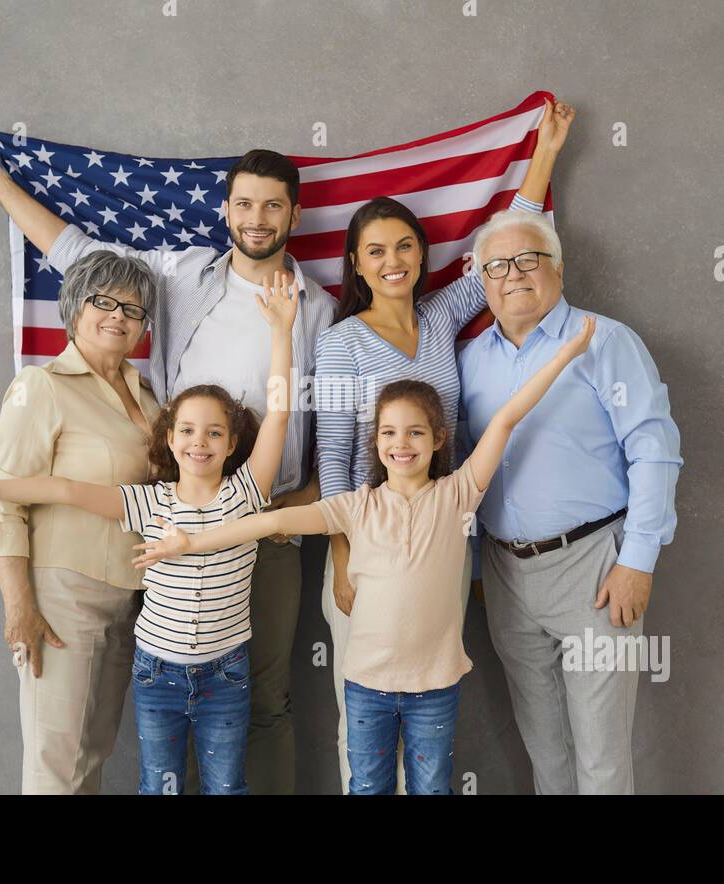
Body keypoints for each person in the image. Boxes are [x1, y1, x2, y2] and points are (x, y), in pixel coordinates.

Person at [0, 133, 336, 793]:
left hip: (266, 525)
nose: (257, 219)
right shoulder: (183, 276)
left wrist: (295, 510)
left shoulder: (321, 311)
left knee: (263, 701)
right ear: (225, 211)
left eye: (272, 206)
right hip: (170, 529)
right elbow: (82, 257)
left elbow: (323, 427)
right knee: (180, 701)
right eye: (244, 204)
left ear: (293, 216)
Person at [134, 316, 596, 794]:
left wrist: (565, 354)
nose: (401, 444)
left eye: (416, 433)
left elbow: (505, 418)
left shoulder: (459, 494)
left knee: (431, 788)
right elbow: (271, 522)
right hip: (367, 687)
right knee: (367, 787)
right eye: (389, 433)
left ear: (438, 439)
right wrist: (190, 542)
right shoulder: (356, 506)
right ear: (376, 442)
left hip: (434, 687)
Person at [0, 274, 299, 794]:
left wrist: (283, 332)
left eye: (214, 432)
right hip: (123, 643)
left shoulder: (240, 488)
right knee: (99, 769)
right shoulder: (147, 496)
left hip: (204, 657)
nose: (199, 442)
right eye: (187, 431)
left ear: (234, 442)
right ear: (168, 438)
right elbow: (66, 489)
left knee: (180, 773)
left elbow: (278, 412)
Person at [313, 98, 576, 792]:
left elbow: (507, 247)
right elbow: (334, 458)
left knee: (428, 713)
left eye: (404, 246)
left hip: (443, 546)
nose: (393, 260)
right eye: (377, 251)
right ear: (357, 264)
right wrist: (344, 559)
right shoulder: (339, 345)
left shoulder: (442, 315)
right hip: (366, 548)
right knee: (365, 724)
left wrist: (543, 154)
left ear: (420, 253)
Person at [458, 207, 683, 794]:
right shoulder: (471, 359)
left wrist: (639, 560)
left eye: (529, 260)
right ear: (482, 282)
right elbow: (466, 471)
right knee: (545, 747)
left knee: (601, 755)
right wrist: (479, 567)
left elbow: (655, 451)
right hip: (505, 573)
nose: (513, 274)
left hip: (595, 567)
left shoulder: (605, 341)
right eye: (498, 266)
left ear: (557, 269)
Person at [0, 250, 160, 794]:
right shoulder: (41, 386)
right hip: (62, 598)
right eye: (104, 301)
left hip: (134, 598)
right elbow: (2, 501)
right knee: (57, 763)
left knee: (92, 751)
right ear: (75, 307)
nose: (119, 316)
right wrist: (19, 608)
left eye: (133, 308)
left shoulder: (147, 396)